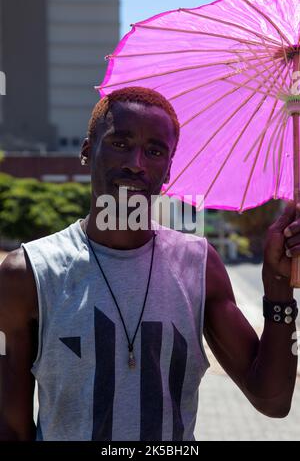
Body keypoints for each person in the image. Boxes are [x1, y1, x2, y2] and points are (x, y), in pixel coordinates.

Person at [0, 86, 298, 441]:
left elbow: (273, 400)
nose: (135, 163)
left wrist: (278, 285)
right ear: (86, 151)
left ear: (169, 169)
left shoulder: (199, 266)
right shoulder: (27, 274)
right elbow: (11, 428)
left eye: (154, 151)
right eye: (120, 143)